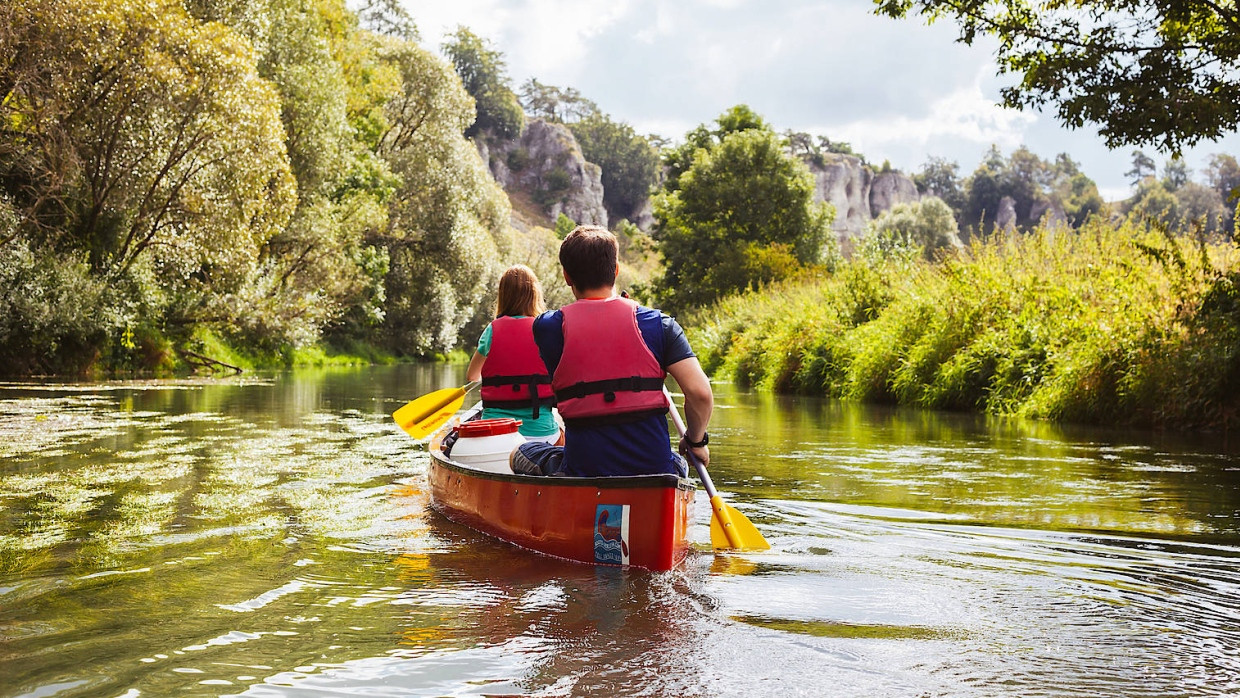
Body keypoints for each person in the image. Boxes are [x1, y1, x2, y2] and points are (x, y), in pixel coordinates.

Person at [510, 225, 713, 477]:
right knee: (677, 462)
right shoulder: (660, 324)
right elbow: (700, 393)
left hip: (583, 470)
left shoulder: (547, 328)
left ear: (566, 276)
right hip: (653, 471)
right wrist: (696, 442)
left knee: (520, 453)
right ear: (615, 271)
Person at [465, 265, 560, 443]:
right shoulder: (546, 330)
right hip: (541, 433)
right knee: (562, 432)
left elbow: (472, 375)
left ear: (503, 296)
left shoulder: (492, 330)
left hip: (495, 433)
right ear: (534, 294)